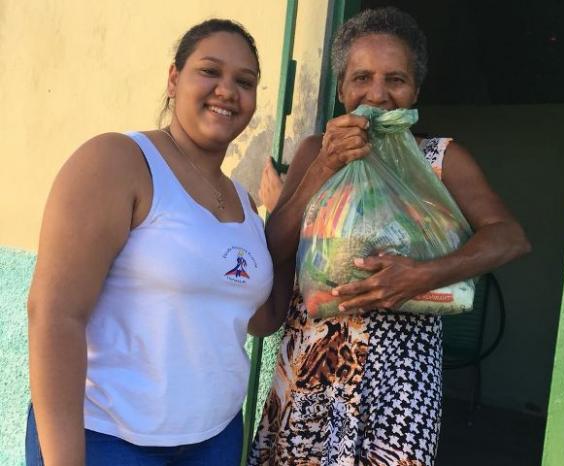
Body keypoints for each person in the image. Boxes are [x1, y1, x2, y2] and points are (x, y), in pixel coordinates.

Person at [249, 7, 531, 466]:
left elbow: (509, 237)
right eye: (361, 77)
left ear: (415, 90)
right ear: (341, 89)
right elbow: (273, 249)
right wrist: (325, 166)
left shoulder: (441, 160)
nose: (377, 95)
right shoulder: (312, 152)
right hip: (311, 370)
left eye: (395, 80)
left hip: (401, 381)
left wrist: (421, 275)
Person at [26, 19, 287, 466]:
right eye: (210, 71)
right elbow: (54, 315)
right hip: (109, 440)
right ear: (173, 79)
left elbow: (260, 320)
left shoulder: (244, 202)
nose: (228, 90)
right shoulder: (119, 161)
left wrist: (291, 217)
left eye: (244, 81)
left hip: (216, 440)